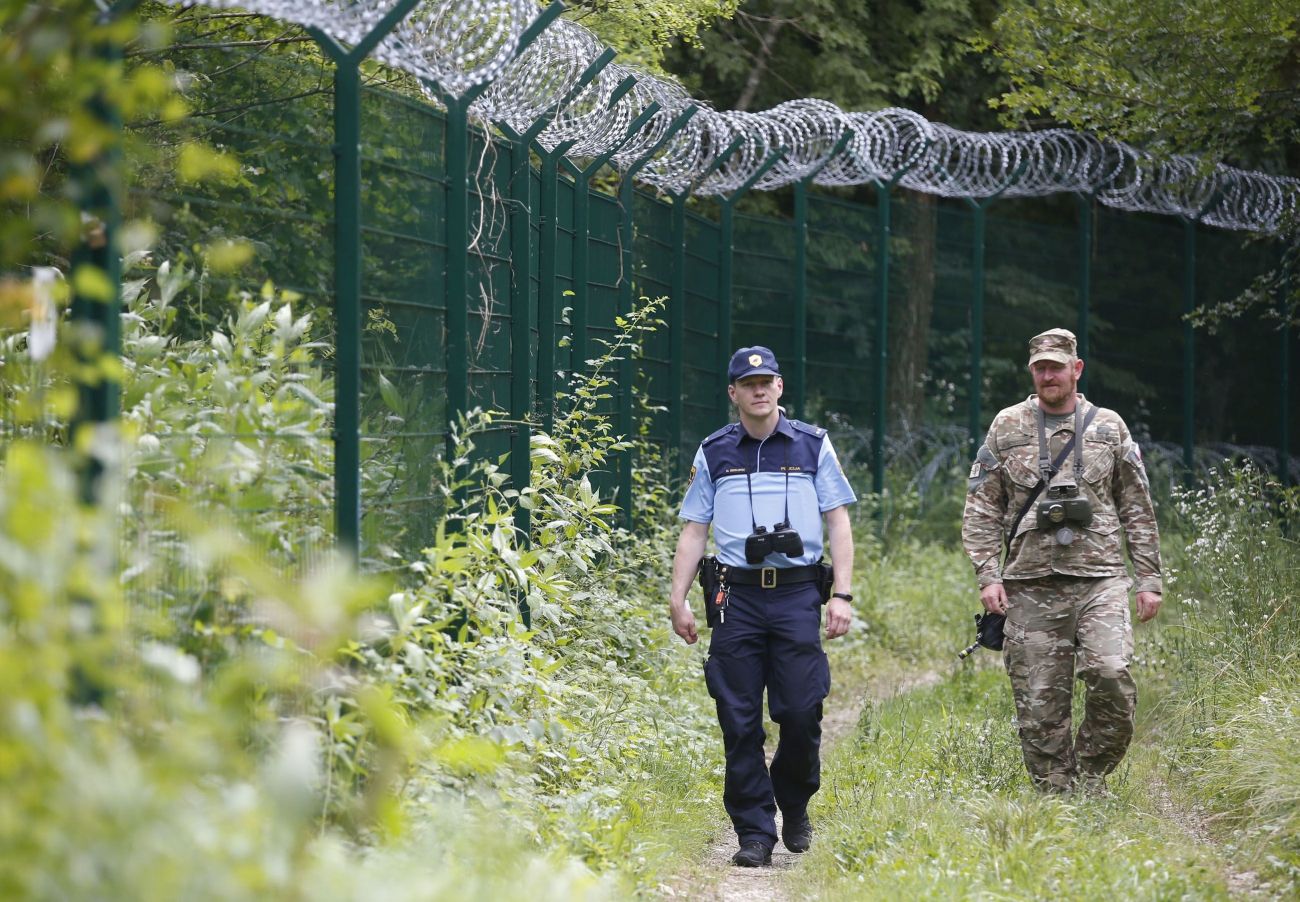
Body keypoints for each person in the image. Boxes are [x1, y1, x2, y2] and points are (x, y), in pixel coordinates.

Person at [668, 345, 856, 867]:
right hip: (735, 597)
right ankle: (754, 831)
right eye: (748, 384)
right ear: (733, 393)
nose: (758, 390)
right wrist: (678, 597)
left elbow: (838, 519)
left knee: (799, 709)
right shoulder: (714, 452)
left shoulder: (812, 445)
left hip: (798, 594)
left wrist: (841, 593)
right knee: (738, 716)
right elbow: (694, 529)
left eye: (767, 382)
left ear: (779, 388)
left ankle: (793, 802)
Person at [962, 328, 1162, 795]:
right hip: (1029, 582)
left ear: (1077, 369)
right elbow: (983, 506)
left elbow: (1136, 503)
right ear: (1031, 371)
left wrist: (1148, 577)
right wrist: (988, 574)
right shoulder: (1007, 426)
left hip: (1101, 579)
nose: (1048, 375)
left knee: (1111, 673)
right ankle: (1057, 794)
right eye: (1040, 368)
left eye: (1057, 366)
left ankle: (1091, 774)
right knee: (1038, 701)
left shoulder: (1109, 426)